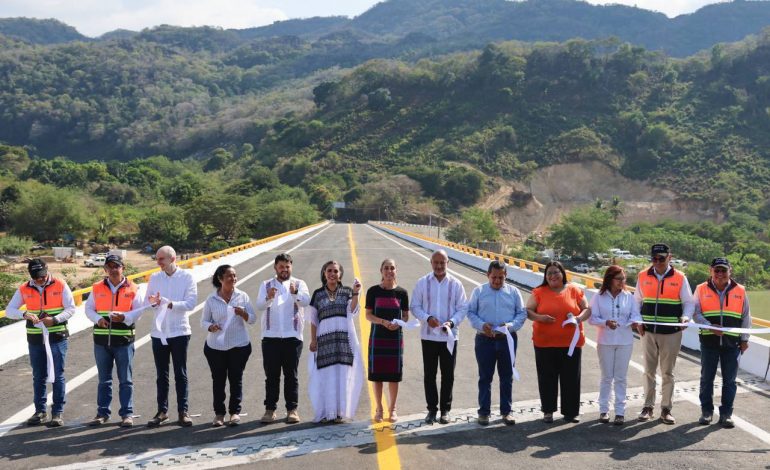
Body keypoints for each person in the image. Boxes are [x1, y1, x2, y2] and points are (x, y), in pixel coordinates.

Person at [5, 258, 76, 427]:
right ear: (31, 275)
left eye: (42, 276)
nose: (40, 279)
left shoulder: (60, 284)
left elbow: (71, 308)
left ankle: (57, 413)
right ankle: (40, 411)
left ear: (47, 270)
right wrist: (24, 315)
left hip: (57, 337)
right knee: (39, 376)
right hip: (36, 339)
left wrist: (56, 319)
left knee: (57, 375)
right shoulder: (24, 288)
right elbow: (10, 310)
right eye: (36, 277)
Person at [635, 243, 695, 425]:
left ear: (670, 257)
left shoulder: (680, 277)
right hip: (648, 331)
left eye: (662, 258)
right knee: (648, 371)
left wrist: (685, 317)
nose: (658, 262)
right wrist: (638, 320)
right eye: (654, 258)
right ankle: (647, 407)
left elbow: (689, 303)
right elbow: (636, 301)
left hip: (671, 332)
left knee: (667, 372)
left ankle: (666, 409)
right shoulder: (643, 275)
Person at [84, 254, 145, 428]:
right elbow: (89, 309)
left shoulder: (133, 288)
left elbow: (138, 312)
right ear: (105, 269)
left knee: (125, 379)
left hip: (124, 341)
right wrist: (98, 319)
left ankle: (127, 414)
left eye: (116, 266)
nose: (113, 270)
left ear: (122, 268)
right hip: (102, 341)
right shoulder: (97, 287)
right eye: (109, 267)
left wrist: (124, 317)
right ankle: (102, 413)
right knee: (104, 380)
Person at [527, 261, 590, 424]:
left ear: (562, 274)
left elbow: (587, 309)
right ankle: (548, 411)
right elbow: (528, 311)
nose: (552, 276)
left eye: (556, 272)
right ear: (545, 277)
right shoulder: (539, 292)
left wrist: (578, 318)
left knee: (571, 378)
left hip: (571, 344)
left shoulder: (574, 290)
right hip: (544, 343)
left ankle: (571, 412)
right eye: (549, 274)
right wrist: (540, 318)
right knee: (547, 378)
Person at [467, 260, 527, 426]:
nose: (497, 281)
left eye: (501, 277)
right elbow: (470, 312)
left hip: (507, 339)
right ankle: (484, 412)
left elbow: (521, 314)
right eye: (494, 277)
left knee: (506, 376)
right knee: (485, 377)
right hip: (484, 340)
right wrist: (481, 325)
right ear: (488, 275)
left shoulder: (514, 292)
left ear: (506, 276)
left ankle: (506, 412)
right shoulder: (479, 291)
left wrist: (509, 326)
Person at [694, 257, 751, 428]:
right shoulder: (700, 289)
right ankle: (706, 412)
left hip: (731, 344)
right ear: (710, 271)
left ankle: (726, 414)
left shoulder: (740, 290)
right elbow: (695, 313)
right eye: (716, 270)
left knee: (730, 380)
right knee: (706, 379)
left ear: (729, 271)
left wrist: (744, 339)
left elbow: (746, 316)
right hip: (708, 341)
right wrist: (709, 326)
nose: (720, 274)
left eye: (723, 270)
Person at [411, 250, 467, 425]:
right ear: (431, 263)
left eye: (442, 262)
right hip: (428, 337)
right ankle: (431, 410)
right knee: (429, 375)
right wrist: (427, 318)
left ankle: (445, 410)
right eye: (436, 262)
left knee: (448, 375)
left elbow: (463, 308)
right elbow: (415, 306)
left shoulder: (456, 284)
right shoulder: (422, 283)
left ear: (448, 263)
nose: (439, 266)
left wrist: (451, 322)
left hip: (449, 338)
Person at [145, 245, 198, 427]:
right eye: (157, 259)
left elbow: (191, 303)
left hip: (179, 331)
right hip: (158, 333)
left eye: (161, 259)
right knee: (162, 374)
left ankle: (183, 411)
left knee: (180, 373)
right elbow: (148, 300)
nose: (158, 262)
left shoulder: (187, 277)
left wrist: (169, 304)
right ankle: (162, 411)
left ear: (172, 259)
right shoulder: (155, 277)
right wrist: (153, 302)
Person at [255, 253, 310, 424]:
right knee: (271, 376)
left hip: (292, 337)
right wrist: (268, 297)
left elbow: (305, 302)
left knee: (291, 375)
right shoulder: (266, 285)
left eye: (287, 267)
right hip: (270, 337)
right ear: (275, 268)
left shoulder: (299, 284)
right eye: (281, 267)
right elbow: (259, 306)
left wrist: (295, 294)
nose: (284, 270)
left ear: (291, 267)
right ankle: (270, 410)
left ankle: (292, 410)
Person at [307, 261, 363, 423]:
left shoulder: (347, 292)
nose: (332, 274)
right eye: (329, 271)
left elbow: (352, 311)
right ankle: (326, 413)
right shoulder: (317, 294)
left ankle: (339, 413)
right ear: (324, 273)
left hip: (344, 340)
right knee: (326, 376)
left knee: (342, 375)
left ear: (340, 275)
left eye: (335, 271)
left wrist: (356, 293)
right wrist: (313, 340)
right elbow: (313, 320)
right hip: (324, 341)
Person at [201, 265, 256, 427]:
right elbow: (203, 321)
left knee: (236, 379)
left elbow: (252, 319)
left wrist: (243, 313)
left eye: (234, 276)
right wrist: (210, 327)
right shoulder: (211, 299)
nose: (233, 279)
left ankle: (234, 412)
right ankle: (219, 414)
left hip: (239, 346)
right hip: (215, 348)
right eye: (229, 276)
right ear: (220, 279)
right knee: (218, 381)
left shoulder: (242, 296)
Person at [588, 265, 641, 426]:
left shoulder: (629, 297)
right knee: (606, 377)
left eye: (623, 278)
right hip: (605, 341)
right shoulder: (599, 296)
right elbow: (592, 318)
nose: (622, 281)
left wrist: (633, 322)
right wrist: (605, 323)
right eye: (619, 278)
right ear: (610, 279)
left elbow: (636, 315)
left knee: (621, 378)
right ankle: (604, 410)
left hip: (625, 341)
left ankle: (620, 412)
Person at [365, 259, 409, 423]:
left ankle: (393, 409)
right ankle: (379, 408)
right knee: (377, 375)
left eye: (392, 268)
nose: (389, 271)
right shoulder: (373, 291)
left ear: (396, 271)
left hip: (395, 338)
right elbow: (368, 315)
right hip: (378, 337)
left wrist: (398, 323)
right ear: (381, 271)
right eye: (386, 268)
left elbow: (405, 315)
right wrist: (383, 322)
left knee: (393, 375)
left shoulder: (402, 293)